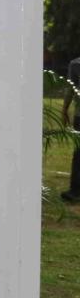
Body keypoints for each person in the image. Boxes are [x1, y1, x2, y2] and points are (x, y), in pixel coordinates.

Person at [63, 54, 80, 204]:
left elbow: (70, 89)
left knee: (79, 153)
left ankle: (75, 191)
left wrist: (65, 109)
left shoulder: (75, 64)